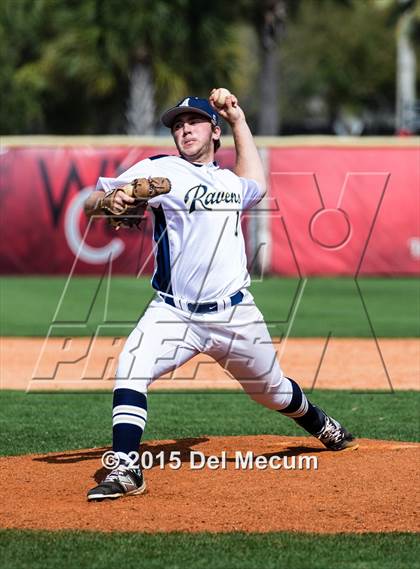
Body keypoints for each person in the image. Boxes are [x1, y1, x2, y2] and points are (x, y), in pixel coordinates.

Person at [84, 92, 358, 501]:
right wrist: (110, 200)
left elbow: (257, 184)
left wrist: (237, 120)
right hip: (173, 313)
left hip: (234, 313)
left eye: (193, 121)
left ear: (214, 131)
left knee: (271, 391)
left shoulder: (229, 182)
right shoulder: (161, 169)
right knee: (130, 367)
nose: (184, 129)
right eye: (177, 124)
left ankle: (319, 422)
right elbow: (92, 203)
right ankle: (125, 468)